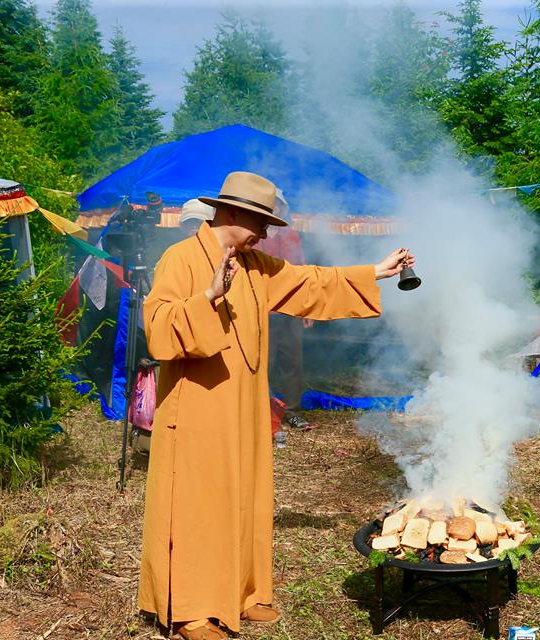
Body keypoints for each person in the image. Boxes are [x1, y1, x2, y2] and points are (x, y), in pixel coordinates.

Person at [137, 171, 414, 640]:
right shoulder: (180, 258)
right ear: (230, 214)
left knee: (244, 495)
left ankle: (240, 592)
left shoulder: (256, 266)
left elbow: (309, 284)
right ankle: (191, 611)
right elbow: (159, 328)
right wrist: (208, 297)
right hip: (199, 408)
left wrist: (375, 272)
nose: (266, 234)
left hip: (244, 404)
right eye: (260, 223)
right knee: (199, 503)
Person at [256, 190, 312, 430]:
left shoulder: (291, 235)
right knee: (262, 363)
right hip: (262, 310)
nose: (274, 208)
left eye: (278, 204)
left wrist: (306, 307)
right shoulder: (255, 234)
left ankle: (291, 410)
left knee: (292, 362)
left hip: (289, 309)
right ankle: (260, 411)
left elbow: (301, 271)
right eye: (271, 204)